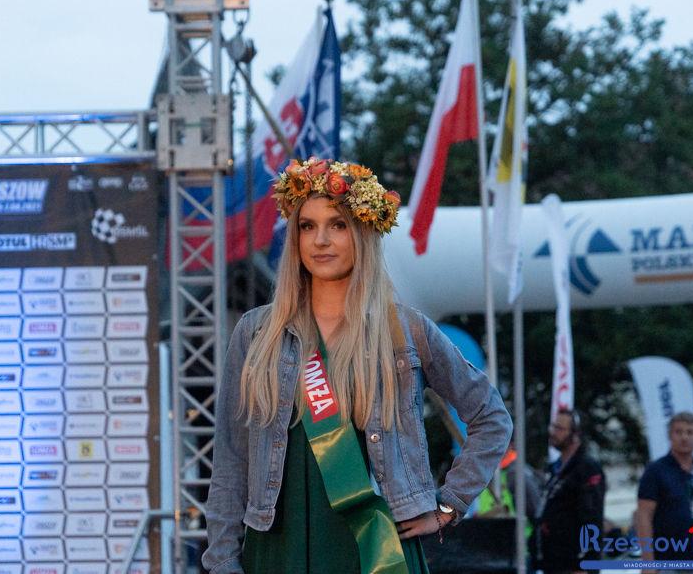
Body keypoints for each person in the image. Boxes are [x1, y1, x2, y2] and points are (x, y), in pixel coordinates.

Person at [201, 157, 513, 574]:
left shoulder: (406, 330)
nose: (320, 240)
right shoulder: (256, 332)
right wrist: (222, 559)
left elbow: (492, 418)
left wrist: (449, 505)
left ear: (363, 233)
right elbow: (230, 459)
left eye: (338, 225)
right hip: (278, 544)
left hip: (378, 547)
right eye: (307, 226)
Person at [636, 412, 693, 573]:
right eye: (678, 432)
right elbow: (644, 517)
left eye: (690, 432)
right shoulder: (655, 471)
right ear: (670, 435)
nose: (684, 437)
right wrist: (648, 563)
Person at [532, 408, 606, 574]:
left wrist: (585, 562)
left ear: (575, 434)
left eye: (559, 429)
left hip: (573, 564)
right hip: (552, 562)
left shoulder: (586, 468)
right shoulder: (555, 469)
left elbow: (592, 517)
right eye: (553, 426)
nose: (553, 432)